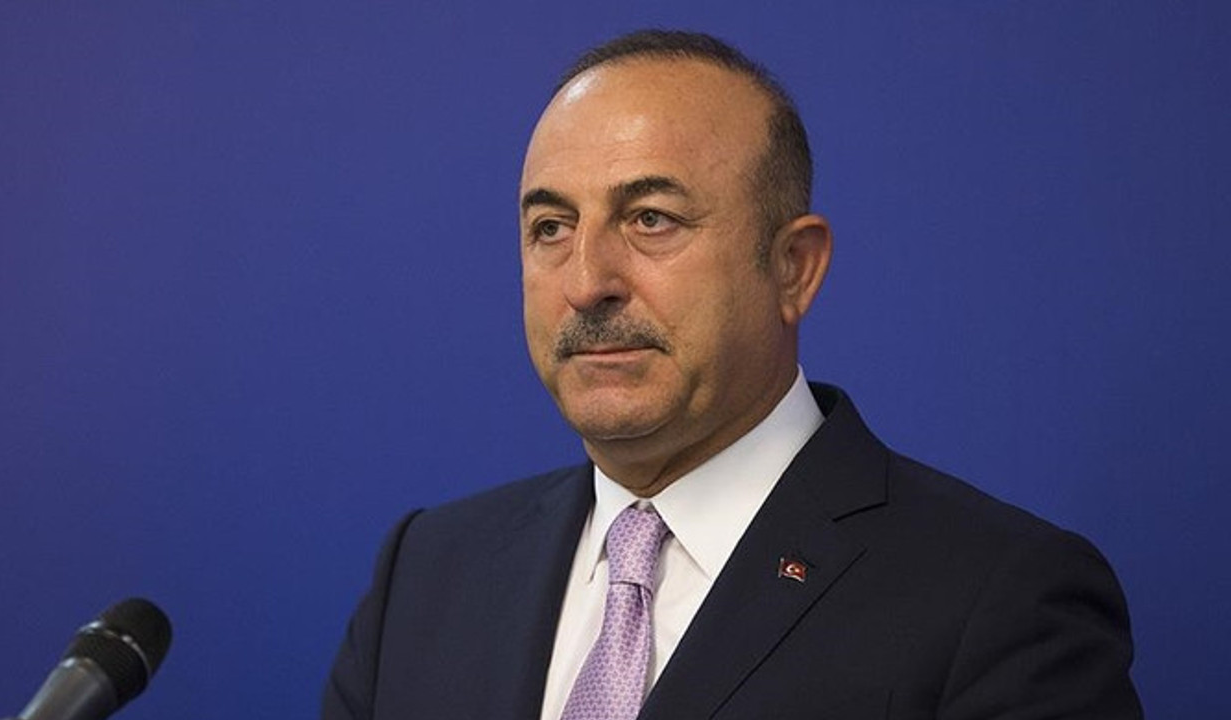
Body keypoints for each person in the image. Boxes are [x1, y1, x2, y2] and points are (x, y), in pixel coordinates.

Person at [322, 30, 1142, 719]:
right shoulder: (426, 573)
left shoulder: (998, 601)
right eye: (551, 226)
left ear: (794, 268)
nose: (586, 281)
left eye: (651, 219)